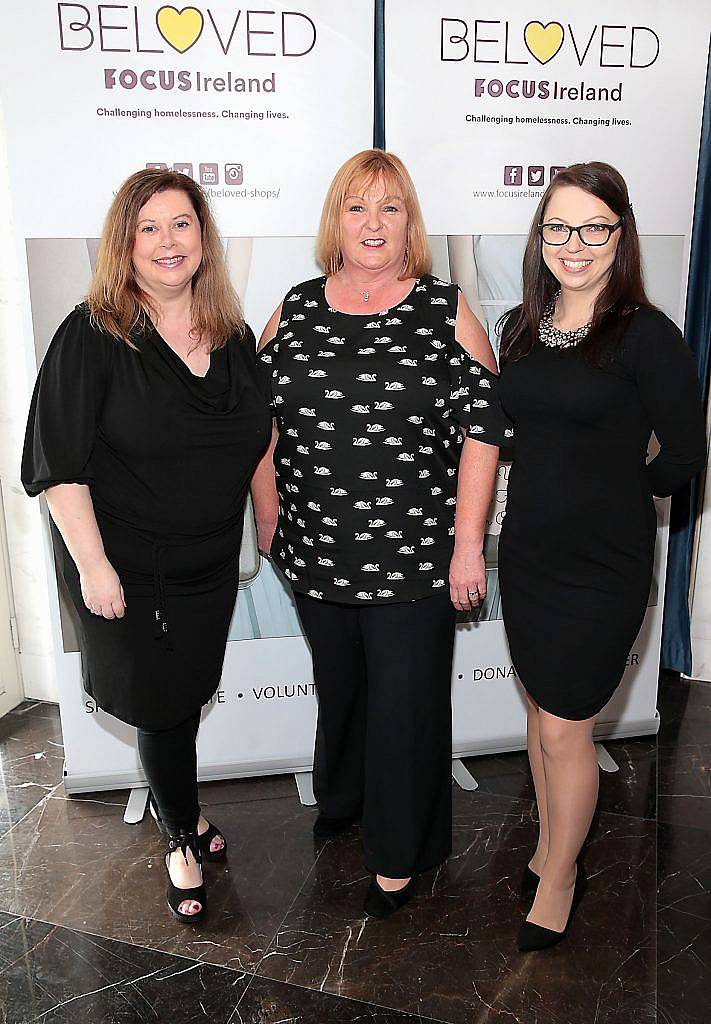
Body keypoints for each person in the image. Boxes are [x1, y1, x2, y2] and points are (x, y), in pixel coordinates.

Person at [251, 149, 511, 918]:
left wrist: (468, 547)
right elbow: (256, 420)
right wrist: (268, 515)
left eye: (389, 208)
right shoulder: (295, 306)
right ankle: (344, 796)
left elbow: (483, 432)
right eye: (357, 207)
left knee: (406, 705)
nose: (372, 223)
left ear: (410, 223)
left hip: (415, 558)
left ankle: (401, 851)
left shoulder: (445, 308)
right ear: (335, 219)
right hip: (313, 549)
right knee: (343, 691)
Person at [22, 169, 271, 923]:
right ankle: (180, 841)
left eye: (182, 224)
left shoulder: (228, 334)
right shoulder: (92, 334)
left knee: (183, 699)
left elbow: (260, 435)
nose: (168, 242)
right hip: (123, 568)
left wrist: (269, 518)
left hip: (204, 565)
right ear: (123, 245)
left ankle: (185, 810)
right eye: (149, 228)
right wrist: (94, 568)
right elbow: (57, 467)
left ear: (204, 238)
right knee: (161, 708)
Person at [496, 162, 706, 951]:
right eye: (556, 228)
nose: (572, 245)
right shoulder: (521, 326)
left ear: (619, 235)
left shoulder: (645, 335)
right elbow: (513, 430)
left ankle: (559, 876)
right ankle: (551, 846)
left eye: (592, 228)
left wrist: (622, 491)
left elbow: (686, 452)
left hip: (602, 568)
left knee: (565, 729)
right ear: (539, 236)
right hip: (529, 557)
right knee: (539, 714)